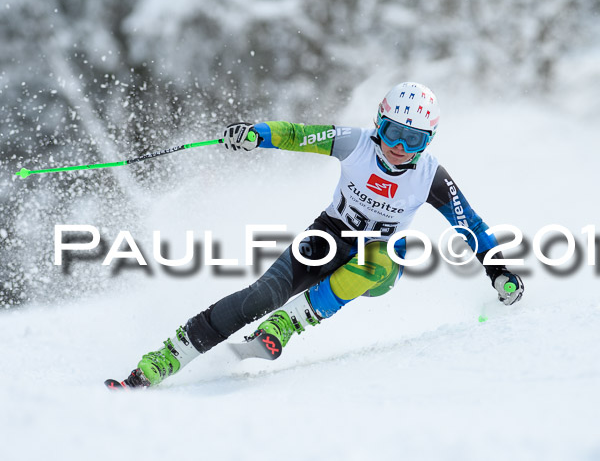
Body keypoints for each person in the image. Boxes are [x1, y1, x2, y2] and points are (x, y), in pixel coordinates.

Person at [106, 82, 524, 389]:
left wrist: (499, 271)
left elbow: (472, 226)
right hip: (327, 236)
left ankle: (288, 325)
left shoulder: (431, 176)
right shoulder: (356, 144)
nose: (399, 146)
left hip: (380, 256)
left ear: (427, 141)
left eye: (413, 139)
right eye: (394, 132)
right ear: (379, 123)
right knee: (260, 297)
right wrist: (256, 134)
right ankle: (159, 362)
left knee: (375, 261)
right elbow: (299, 135)